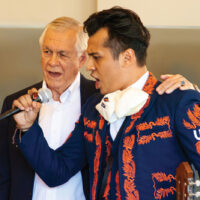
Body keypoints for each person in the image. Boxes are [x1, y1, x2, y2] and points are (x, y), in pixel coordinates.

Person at [6, 8, 200, 200]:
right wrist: (28, 128)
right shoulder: (93, 107)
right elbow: (57, 171)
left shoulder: (179, 102)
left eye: (96, 57)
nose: (89, 66)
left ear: (127, 57)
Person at [0, 17, 97, 200]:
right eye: (47, 51)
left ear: (81, 59)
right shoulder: (16, 104)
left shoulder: (97, 100)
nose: (52, 62)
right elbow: (3, 174)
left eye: (62, 54)